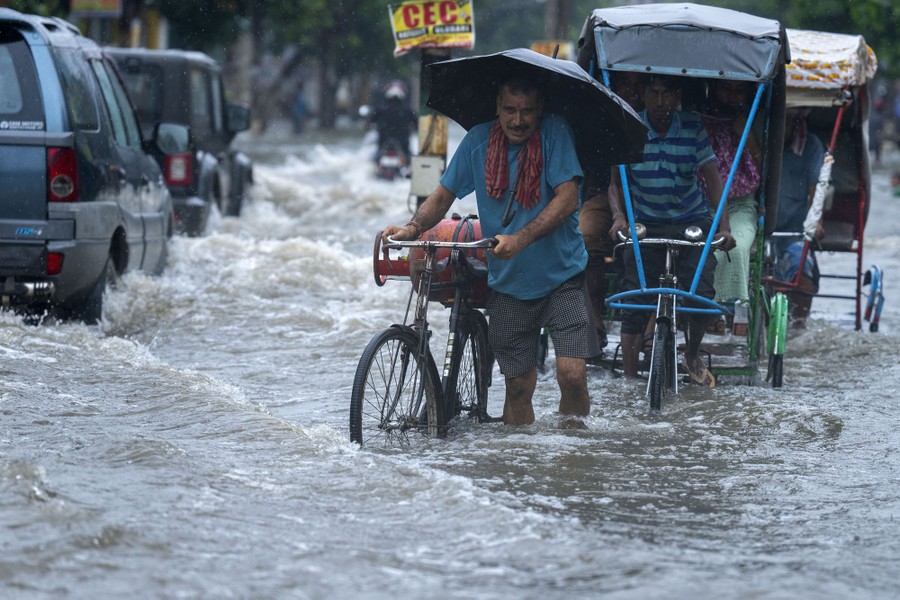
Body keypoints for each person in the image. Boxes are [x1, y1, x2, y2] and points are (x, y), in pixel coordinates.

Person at [381, 76, 597, 426]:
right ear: (497, 107)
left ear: (540, 109)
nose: (517, 120)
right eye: (509, 110)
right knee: (517, 388)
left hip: (563, 275)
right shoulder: (477, 141)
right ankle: (519, 462)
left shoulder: (555, 132)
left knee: (571, 375)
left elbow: (568, 197)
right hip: (509, 281)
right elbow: (441, 196)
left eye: (527, 111)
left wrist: (520, 239)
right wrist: (413, 228)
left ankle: (573, 450)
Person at [607, 74, 735, 386]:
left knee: (701, 294)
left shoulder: (691, 126)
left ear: (676, 96)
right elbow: (614, 182)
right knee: (635, 299)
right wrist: (618, 217)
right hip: (646, 222)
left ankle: (691, 352)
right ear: (645, 94)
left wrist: (724, 227)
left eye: (668, 94)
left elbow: (713, 178)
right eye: (654, 93)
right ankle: (628, 376)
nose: (661, 102)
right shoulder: (631, 125)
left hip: (690, 219)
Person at [578, 71, 647, 353]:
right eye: (625, 84)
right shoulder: (598, 114)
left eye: (638, 85)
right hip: (604, 194)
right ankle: (593, 313)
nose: (631, 91)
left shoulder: (656, 117)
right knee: (584, 236)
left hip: (650, 197)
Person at [699, 79, 763, 311]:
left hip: (740, 206)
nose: (731, 97)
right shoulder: (695, 120)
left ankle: (724, 308)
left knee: (733, 249)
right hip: (699, 204)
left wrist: (747, 138)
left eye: (739, 90)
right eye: (725, 88)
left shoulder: (755, 121)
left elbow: (763, 169)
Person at [773, 107, 826, 327]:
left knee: (802, 267)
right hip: (761, 225)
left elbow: (816, 188)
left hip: (795, 228)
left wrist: (817, 223)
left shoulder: (811, 145)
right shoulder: (759, 140)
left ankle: (798, 327)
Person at [368, 81, 417, 159]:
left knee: (373, 159)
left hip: (383, 143)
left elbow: (370, 121)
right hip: (403, 145)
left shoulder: (380, 109)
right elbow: (416, 124)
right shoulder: (408, 110)